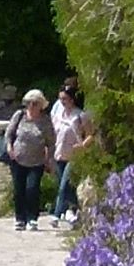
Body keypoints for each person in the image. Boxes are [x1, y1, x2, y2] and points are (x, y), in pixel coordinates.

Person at [0, 88, 55, 228]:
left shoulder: (45, 121)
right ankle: (20, 218)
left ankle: (32, 218)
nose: (32, 105)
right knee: (19, 190)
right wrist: (9, 148)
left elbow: (51, 141)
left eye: (35, 103)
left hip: (37, 161)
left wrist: (49, 159)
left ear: (41, 105)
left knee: (32, 189)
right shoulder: (19, 116)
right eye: (29, 102)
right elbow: (9, 134)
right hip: (18, 159)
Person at [48, 83, 91, 221]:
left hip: (74, 156)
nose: (62, 101)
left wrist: (83, 145)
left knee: (63, 186)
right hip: (59, 154)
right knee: (67, 187)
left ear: (72, 99)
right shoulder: (57, 114)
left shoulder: (80, 115)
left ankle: (56, 214)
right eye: (61, 99)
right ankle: (73, 211)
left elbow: (91, 134)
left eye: (65, 99)